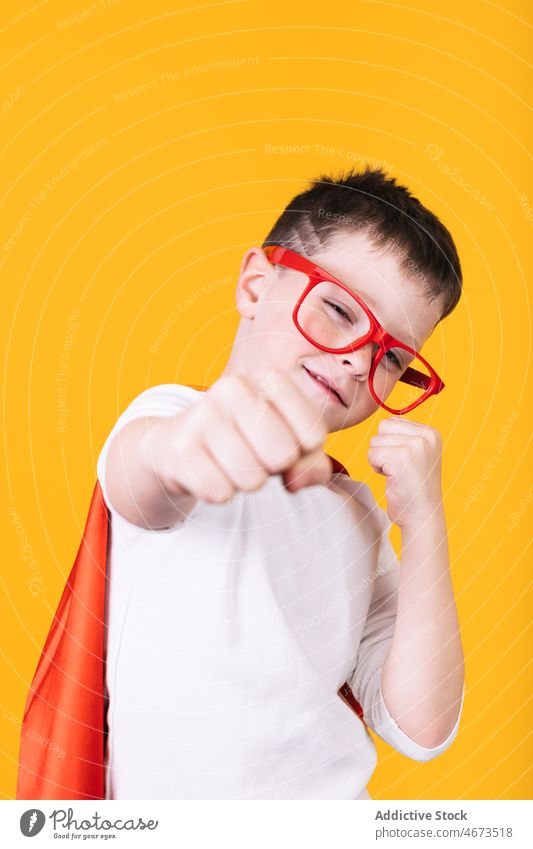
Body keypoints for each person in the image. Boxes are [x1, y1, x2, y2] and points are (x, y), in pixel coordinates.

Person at [96, 167, 465, 800]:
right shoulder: (172, 418)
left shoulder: (354, 513)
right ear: (254, 286)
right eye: (337, 308)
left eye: (395, 357)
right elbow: (142, 478)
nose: (358, 359)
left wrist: (425, 525)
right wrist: (197, 444)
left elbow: (420, 726)